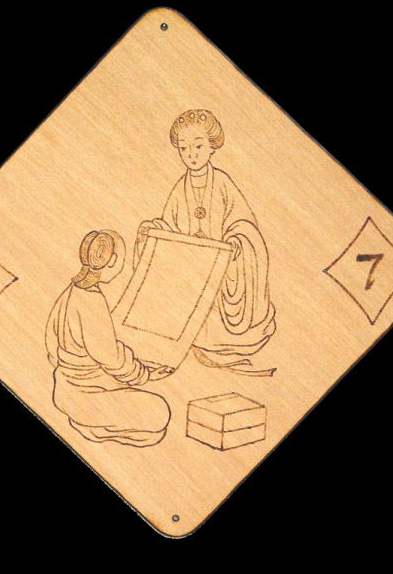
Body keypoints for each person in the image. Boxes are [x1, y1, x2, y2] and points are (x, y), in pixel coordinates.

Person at [136, 109, 276, 374]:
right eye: (184, 148)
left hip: (222, 271)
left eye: (198, 146)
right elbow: (170, 227)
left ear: (212, 147)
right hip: (192, 270)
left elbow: (244, 224)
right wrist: (154, 230)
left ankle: (225, 344)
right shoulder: (180, 188)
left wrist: (236, 242)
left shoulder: (222, 183)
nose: (191, 154)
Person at [46, 230, 172, 447]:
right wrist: (144, 374)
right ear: (112, 260)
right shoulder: (91, 300)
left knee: (153, 430)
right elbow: (109, 356)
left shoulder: (69, 293)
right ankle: (92, 423)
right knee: (159, 411)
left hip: (65, 385)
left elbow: (52, 345)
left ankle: (92, 424)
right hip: (84, 395)